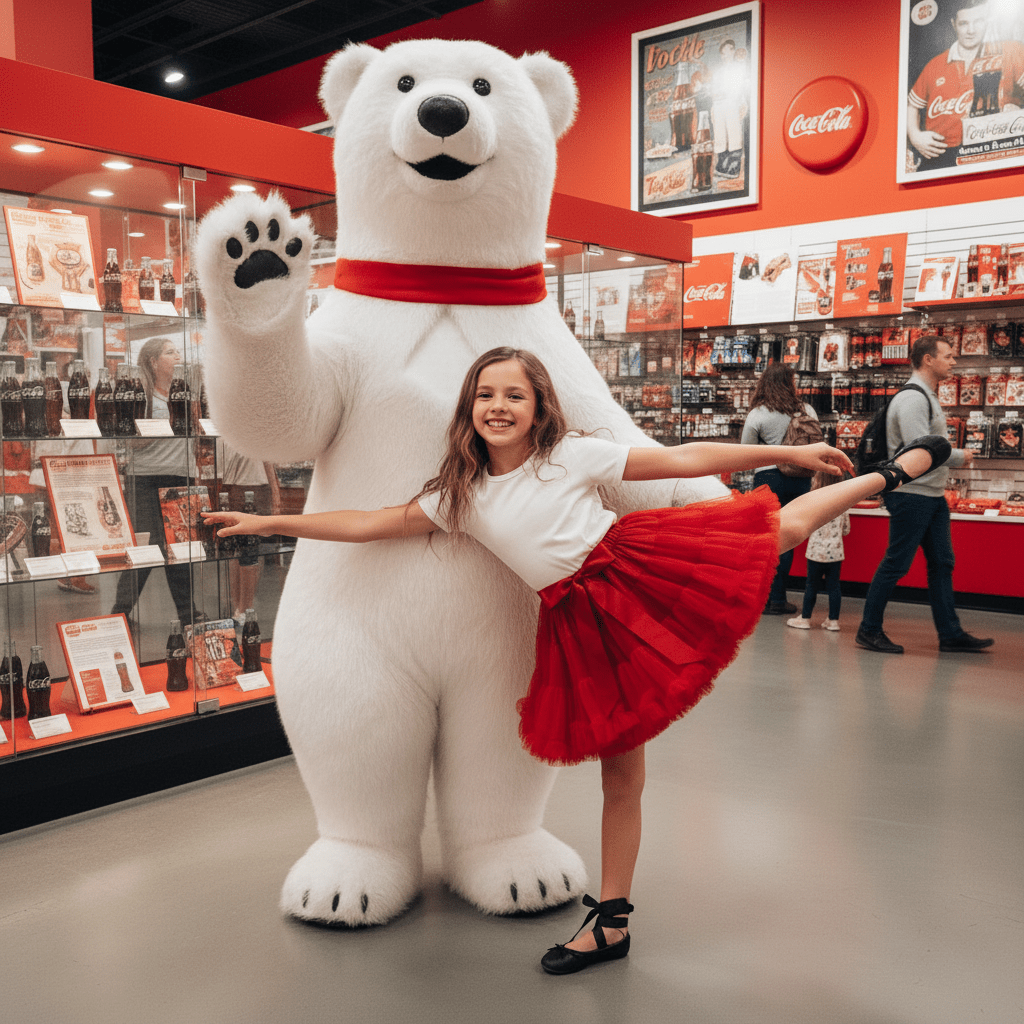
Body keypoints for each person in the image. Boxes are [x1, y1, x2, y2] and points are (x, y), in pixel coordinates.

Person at [203, 347, 949, 974]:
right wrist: (269, 520)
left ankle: (884, 476)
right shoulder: (461, 496)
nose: (499, 406)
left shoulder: (569, 455)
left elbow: (683, 457)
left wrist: (786, 451)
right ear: (468, 409)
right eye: (485, 395)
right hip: (579, 624)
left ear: (537, 408)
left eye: (514, 395)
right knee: (620, 777)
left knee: (773, 528)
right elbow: (369, 522)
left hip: (635, 568)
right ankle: (613, 924)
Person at [857, 335, 993, 655]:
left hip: (930, 494)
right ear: (928, 359)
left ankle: (950, 634)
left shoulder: (925, 395)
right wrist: (960, 456)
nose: (954, 361)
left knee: (942, 563)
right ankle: (869, 630)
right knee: (896, 563)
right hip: (912, 494)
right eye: (948, 356)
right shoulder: (913, 398)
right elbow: (921, 450)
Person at [110, 337, 203, 627]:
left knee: (180, 547)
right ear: (153, 361)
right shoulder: (142, 394)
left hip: (181, 476)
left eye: (178, 352)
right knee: (146, 548)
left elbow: (195, 436)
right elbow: (130, 442)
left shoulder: (184, 392)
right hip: (145, 478)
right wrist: (168, 425)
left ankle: (188, 614)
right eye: (170, 352)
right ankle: (120, 612)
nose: (177, 356)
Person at [907, 0, 1024, 172]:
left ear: (987, 21)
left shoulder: (1011, 51)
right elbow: (913, 105)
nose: (971, 30)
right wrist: (915, 135)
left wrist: (1019, 114)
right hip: (939, 155)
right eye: (964, 23)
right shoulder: (935, 65)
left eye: (978, 22)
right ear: (954, 24)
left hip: (991, 149)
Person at [740, 362, 819, 615]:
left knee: (766, 539)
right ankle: (779, 598)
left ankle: (763, 598)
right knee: (787, 539)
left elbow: (745, 452)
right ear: (790, 383)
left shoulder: (758, 413)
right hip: (800, 478)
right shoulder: (806, 409)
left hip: (768, 479)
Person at [787, 470, 851, 632]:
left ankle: (805, 618)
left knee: (811, 586)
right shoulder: (844, 502)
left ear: (818, 479)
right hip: (835, 553)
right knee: (834, 587)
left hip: (815, 552)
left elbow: (806, 526)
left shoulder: (814, 500)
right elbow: (846, 530)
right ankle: (833, 621)